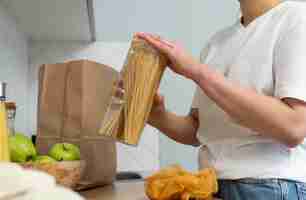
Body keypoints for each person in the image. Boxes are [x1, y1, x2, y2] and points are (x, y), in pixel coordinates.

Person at [136, 0, 306, 199]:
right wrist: (157, 116)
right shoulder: (217, 42)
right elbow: (198, 130)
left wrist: (197, 72)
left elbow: (293, 127)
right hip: (213, 186)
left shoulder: (297, 18)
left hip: (268, 186)